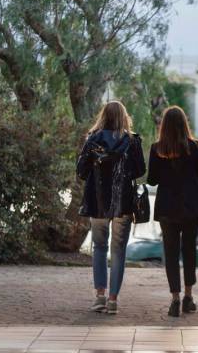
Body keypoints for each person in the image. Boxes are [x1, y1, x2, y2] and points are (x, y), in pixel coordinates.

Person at [77, 101, 146, 315]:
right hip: (123, 203)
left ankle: (99, 296)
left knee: (99, 248)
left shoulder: (92, 140)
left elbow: (80, 171)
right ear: (124, 117)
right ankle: (113, 300)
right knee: (118, 251)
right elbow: (139, 171)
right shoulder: (132, 141)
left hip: (97, 202)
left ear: (103, 116)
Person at [147, 106, 198, 317]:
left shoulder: (157, 149)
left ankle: (174, 299)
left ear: (164, 126)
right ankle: (188, 298)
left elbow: (152, 180)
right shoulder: (194, 146)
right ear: (184, 124)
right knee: (189, 250)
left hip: (166, 208)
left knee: (171, 253)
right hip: (190, 208)